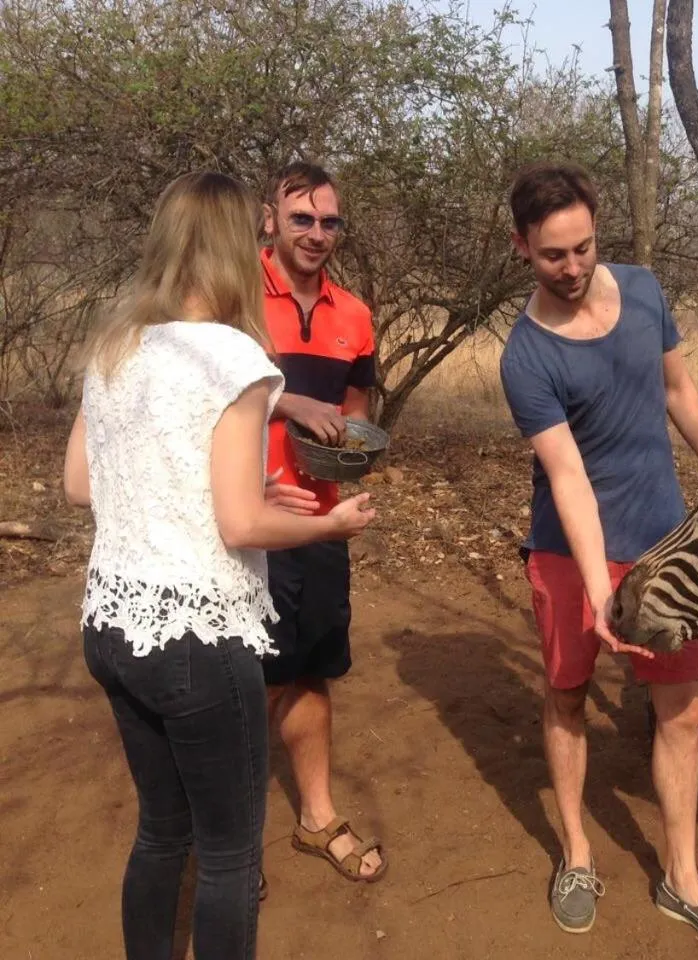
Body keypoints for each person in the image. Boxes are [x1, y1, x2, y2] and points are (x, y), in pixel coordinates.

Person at [64, 170, 375, 959]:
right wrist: (331, 523)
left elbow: (79, 484)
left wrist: (209, 484)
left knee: (162, 832)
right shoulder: (235, 355)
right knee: (232, 855)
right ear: (242, 243)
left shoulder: (117, 343)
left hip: (110, 628)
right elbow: (241, 523)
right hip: (197, 639)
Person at [499, 161, 698, 958]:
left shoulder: (643, 288)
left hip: (665, 541)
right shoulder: (526, 356)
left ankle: (683, 877)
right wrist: (598, 588)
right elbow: (568, 476)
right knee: (569, 696)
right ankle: (577, 855)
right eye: (553, 256)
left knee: (680, 710)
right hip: (567, 553)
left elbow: (676, 389)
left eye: (582, 248)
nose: (572, 269)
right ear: (522, 249)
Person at [257, 161, 386, 883]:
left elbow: (354, 408)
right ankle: (228, 837)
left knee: (312, 662)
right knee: (248, 676)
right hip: (251, 523)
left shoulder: (355, 313)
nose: (316, 233)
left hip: (324, 523)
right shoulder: (232, 295)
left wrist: (349, 481)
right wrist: (282, 407)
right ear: (268, 218)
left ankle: (315, 817)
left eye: (328, 221)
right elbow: (203, 397)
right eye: (301, 218)